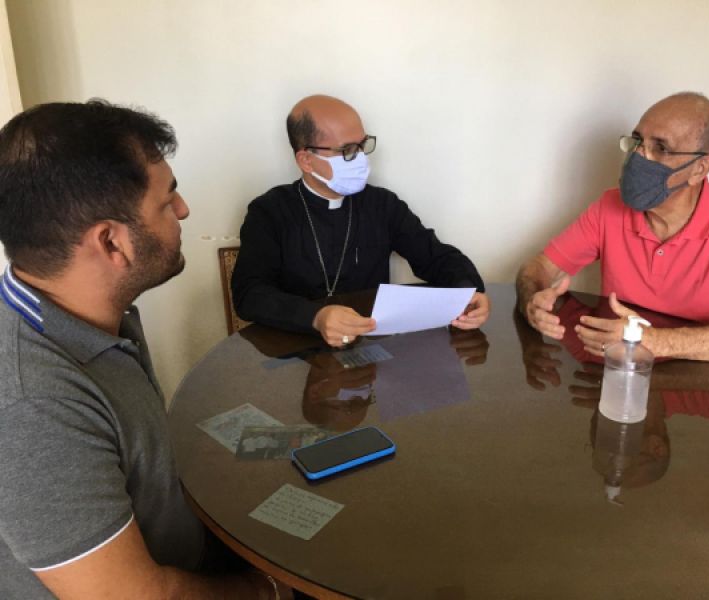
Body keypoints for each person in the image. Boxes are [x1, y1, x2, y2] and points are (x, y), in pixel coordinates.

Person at [0, 101, 289, 599]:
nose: (184, 209)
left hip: (186, 550)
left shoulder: (90, 316)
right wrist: (269, 591)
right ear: (111, 243)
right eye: (167, 199)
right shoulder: (34, 403)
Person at [516, 92, 709, 361]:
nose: (639, 156)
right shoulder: (610, 207)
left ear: (699, 169)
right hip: (621, 371)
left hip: (704, 379)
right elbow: (538, 268)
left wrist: (652, 340)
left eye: (661, 148)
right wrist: (533, 301)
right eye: (637, 141)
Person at [232, 94, 490, 347]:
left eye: (362, 145)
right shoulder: (269, 212)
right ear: (306, 160)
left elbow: (436, 257)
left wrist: (469, 291)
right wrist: (315, 317)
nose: (361, 158)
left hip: (370, 345)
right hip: (296, 347)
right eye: (347, 150)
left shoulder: (382, 204)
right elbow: (250, 294)